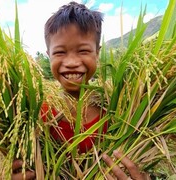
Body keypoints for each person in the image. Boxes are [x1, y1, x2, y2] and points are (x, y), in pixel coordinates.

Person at [12, 1, 150, 179]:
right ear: (49, 55)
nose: (71, 63)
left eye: (83, 51)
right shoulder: (37, 114)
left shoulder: (120, 112)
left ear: (97, 53)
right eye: (60, 52)